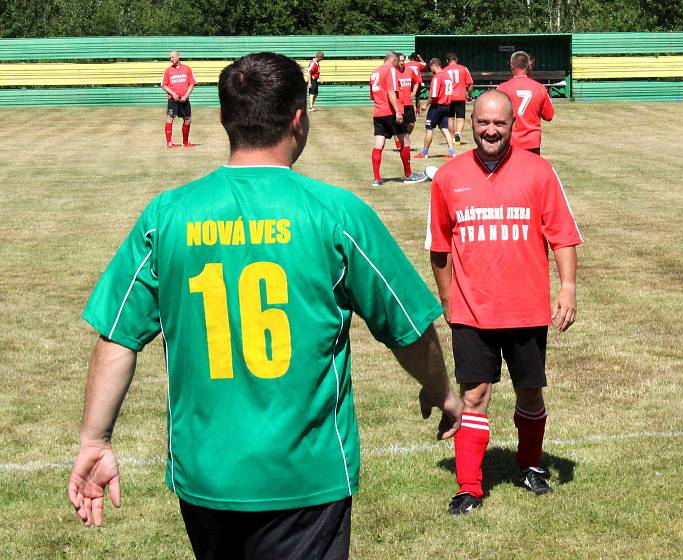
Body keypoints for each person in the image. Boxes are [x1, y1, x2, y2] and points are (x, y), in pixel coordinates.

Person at [68, 52, 463, 559]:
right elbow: (407, 325)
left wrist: (94, 441)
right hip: (306, 474)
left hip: (205, 474)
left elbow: (118, 335)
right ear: (299, 117)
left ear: (223, 119)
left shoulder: (165, 215)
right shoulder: (337, 213)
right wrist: (441, 390)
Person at [426, 90, 582, 515]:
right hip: (473, 310)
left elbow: (562, 236)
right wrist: (448, 299)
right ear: (470, 123)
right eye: (482, 122)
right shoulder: (447, 177)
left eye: (499, 123)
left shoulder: (539, 172)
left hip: (526, 307)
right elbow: (438, 247)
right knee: (474, 395)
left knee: (529, 393)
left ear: (514, 125)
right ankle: (470, 487)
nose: (490, 130)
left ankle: (531, 465)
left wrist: (566, 287)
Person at [370, 51, 426, 186]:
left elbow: (372, 95)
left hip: (378, 112)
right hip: (390, 111)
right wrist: (397, 112)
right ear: (394, 60)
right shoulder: (391, 70)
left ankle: (377, 179)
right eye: (398, 61)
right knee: (405, 140)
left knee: (378, 144)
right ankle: (408, 175)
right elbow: (391, 92)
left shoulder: (374, 72)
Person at [496, 51, 554, 155]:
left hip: (509, 141)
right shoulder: (540, 88)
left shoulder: (501, 88)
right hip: (532, 143)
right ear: (528, 66)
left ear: (511, 66)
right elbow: (549, 116)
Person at [414, 58, 456, 160]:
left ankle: (425, 153)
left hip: (437, 106)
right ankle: (452, 152)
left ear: (434, 65)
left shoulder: (437, 77)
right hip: (446, 106)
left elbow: (433, 96)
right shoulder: (448, 76)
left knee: (429, 129)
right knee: (445, 129)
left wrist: (426, 105)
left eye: (430, 67)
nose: (430, 69)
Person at [161, 50, 197, 148]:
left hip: (184, 99)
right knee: (170, 119)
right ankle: (169, 143)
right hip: (173, 99)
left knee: (188, 119)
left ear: (178, 56)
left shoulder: (187, 69)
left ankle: (185, 143)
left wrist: (186, 96)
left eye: (172, 57)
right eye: (170, 58)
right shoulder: (168, 71)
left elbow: (192, 83)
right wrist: (173, 94)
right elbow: (164, 85)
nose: (170, 59)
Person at [393, 53, 422, 150]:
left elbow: (417, 81)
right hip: (398, 104)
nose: (401, 63)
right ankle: (399, 140)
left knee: (411, 124)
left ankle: (403, 137)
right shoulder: (393, 73)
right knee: (399, 124)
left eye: (403, 60)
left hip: (408, 103)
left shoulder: (409, 71)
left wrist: (414, 91)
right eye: (400, 61)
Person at [444, 52, 473, 146]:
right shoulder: (463, 69)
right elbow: (470, 83)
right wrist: (469, 95)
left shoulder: (444, 70)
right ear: (456, 60)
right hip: (460, 96)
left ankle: (452, 138)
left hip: (448, 97)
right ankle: (458, 134)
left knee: (450, 118)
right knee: (460, 118)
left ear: (447, 61)